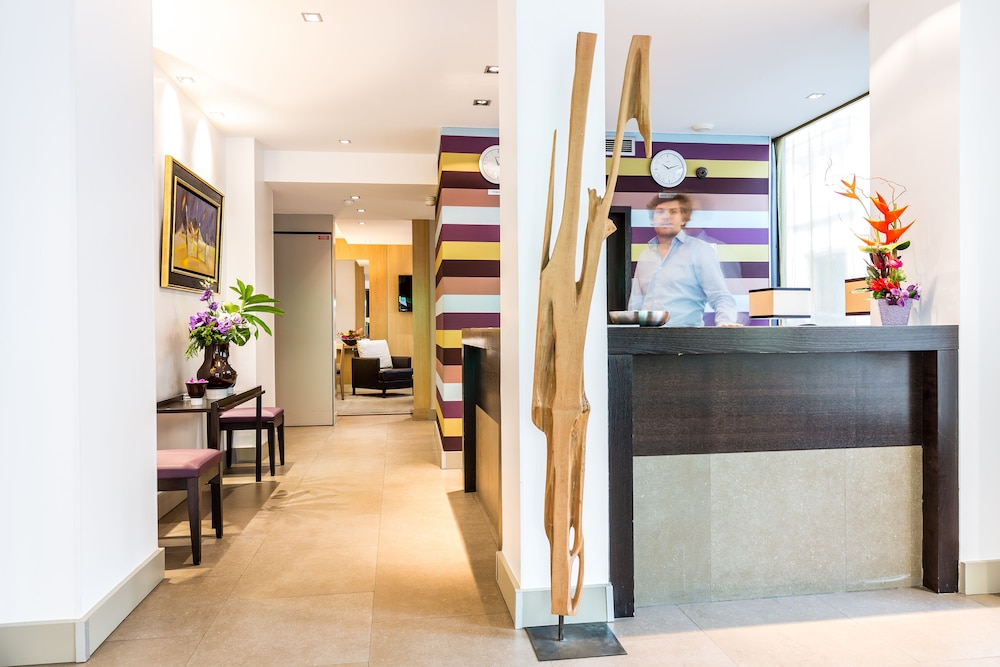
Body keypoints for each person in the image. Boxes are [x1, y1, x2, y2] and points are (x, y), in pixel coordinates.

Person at [628, 193, 739, 326]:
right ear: (653, 219)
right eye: (660, 212)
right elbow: (635, 303)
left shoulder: (700, 251)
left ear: (684, 219)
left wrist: (725, 323)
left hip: (686, 336)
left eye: (673, 212)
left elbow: (720, 296)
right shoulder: (645, 255)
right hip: (645, 336)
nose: (666, 216)